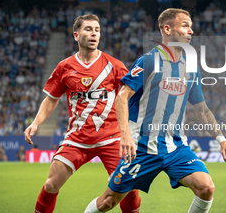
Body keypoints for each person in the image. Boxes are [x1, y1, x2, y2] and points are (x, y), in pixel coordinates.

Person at [84, 8, 226, 213]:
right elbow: (121, 98)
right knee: (107, 202)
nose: (191, 31)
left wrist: (222, 140)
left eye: (191, 26)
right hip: (141, 147)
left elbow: (202, 109)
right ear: (167, 29)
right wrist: (126, 136)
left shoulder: (191, 67)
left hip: (175, 146)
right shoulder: (148, 60)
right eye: (185, 25)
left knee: (206, 187)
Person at [24, 14, 141, 213]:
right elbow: (52, 98)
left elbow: (130, 96)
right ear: (76, 35)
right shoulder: (64, 67)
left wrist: (130, 131)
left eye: (97, 30)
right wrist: (36, 123)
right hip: (77, 139)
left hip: (111, 138)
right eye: (88, 29)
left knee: (129, 188)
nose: (94, 33)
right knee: (51, 184)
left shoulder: (114, 65)